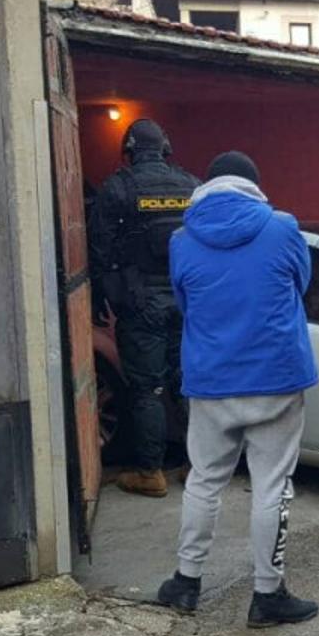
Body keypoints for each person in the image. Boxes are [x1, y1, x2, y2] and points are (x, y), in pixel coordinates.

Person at [155, 152, 319, 628]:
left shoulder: (181, 240)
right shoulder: (282, 228)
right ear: (254, 186)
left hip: (211, 380)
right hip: (276, 377)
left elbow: (186, 301)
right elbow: (301, 283)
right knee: (272, 486)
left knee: (204, 480)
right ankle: (268, 594)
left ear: (206, 186)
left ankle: (186, 582)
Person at [88, 119, 199, 498]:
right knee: (186, 383)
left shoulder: (117, 188)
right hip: (186, 302)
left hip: (140, 306)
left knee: (147, 388)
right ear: (165, 148)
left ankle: (150, 472)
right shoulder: (192, 186)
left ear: (129, 151)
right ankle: (197, 467)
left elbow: (99, 250)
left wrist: (100, 299)